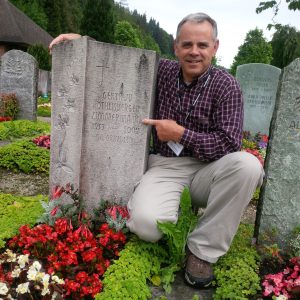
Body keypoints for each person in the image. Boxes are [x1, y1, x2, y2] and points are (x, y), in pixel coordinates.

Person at [49, 12, 264, 288]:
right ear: (175, 46)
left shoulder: (227, 85)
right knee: (147, 226)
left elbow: (229, 144)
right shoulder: (159, 70)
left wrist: (181, 134)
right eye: (187, 45)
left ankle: (202, 251)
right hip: (165, 166)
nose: (194, 52)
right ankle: (172, 212)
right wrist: (84, 41)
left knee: (248, 166)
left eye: (202, 45)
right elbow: (121, 64)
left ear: (215, 47)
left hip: (209, 171)